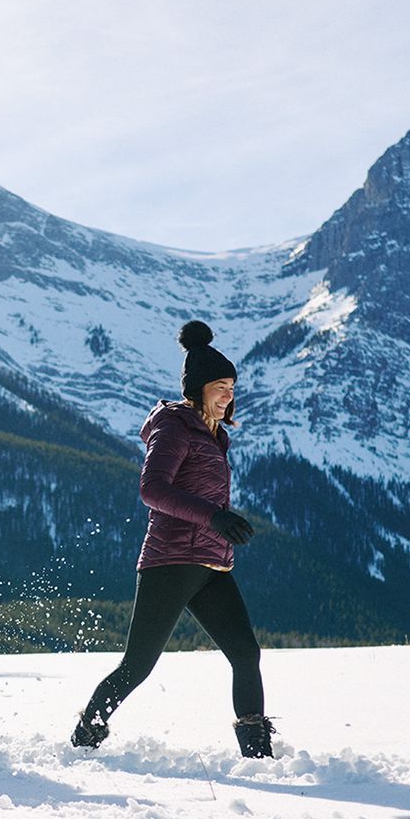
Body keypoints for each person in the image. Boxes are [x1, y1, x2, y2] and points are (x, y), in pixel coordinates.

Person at [70, 321, 275, 758]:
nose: (228, 395)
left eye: (232, 387)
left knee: (245, 652)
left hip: (212, 564)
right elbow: (152, 490)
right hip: (171, 559)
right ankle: (86, 733)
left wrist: (219, 526)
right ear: (197, 388)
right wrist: (214, 516)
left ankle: (258, 754)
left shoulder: (215, 436)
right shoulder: (174, 426)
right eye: (220, 386)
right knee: (138, 665)